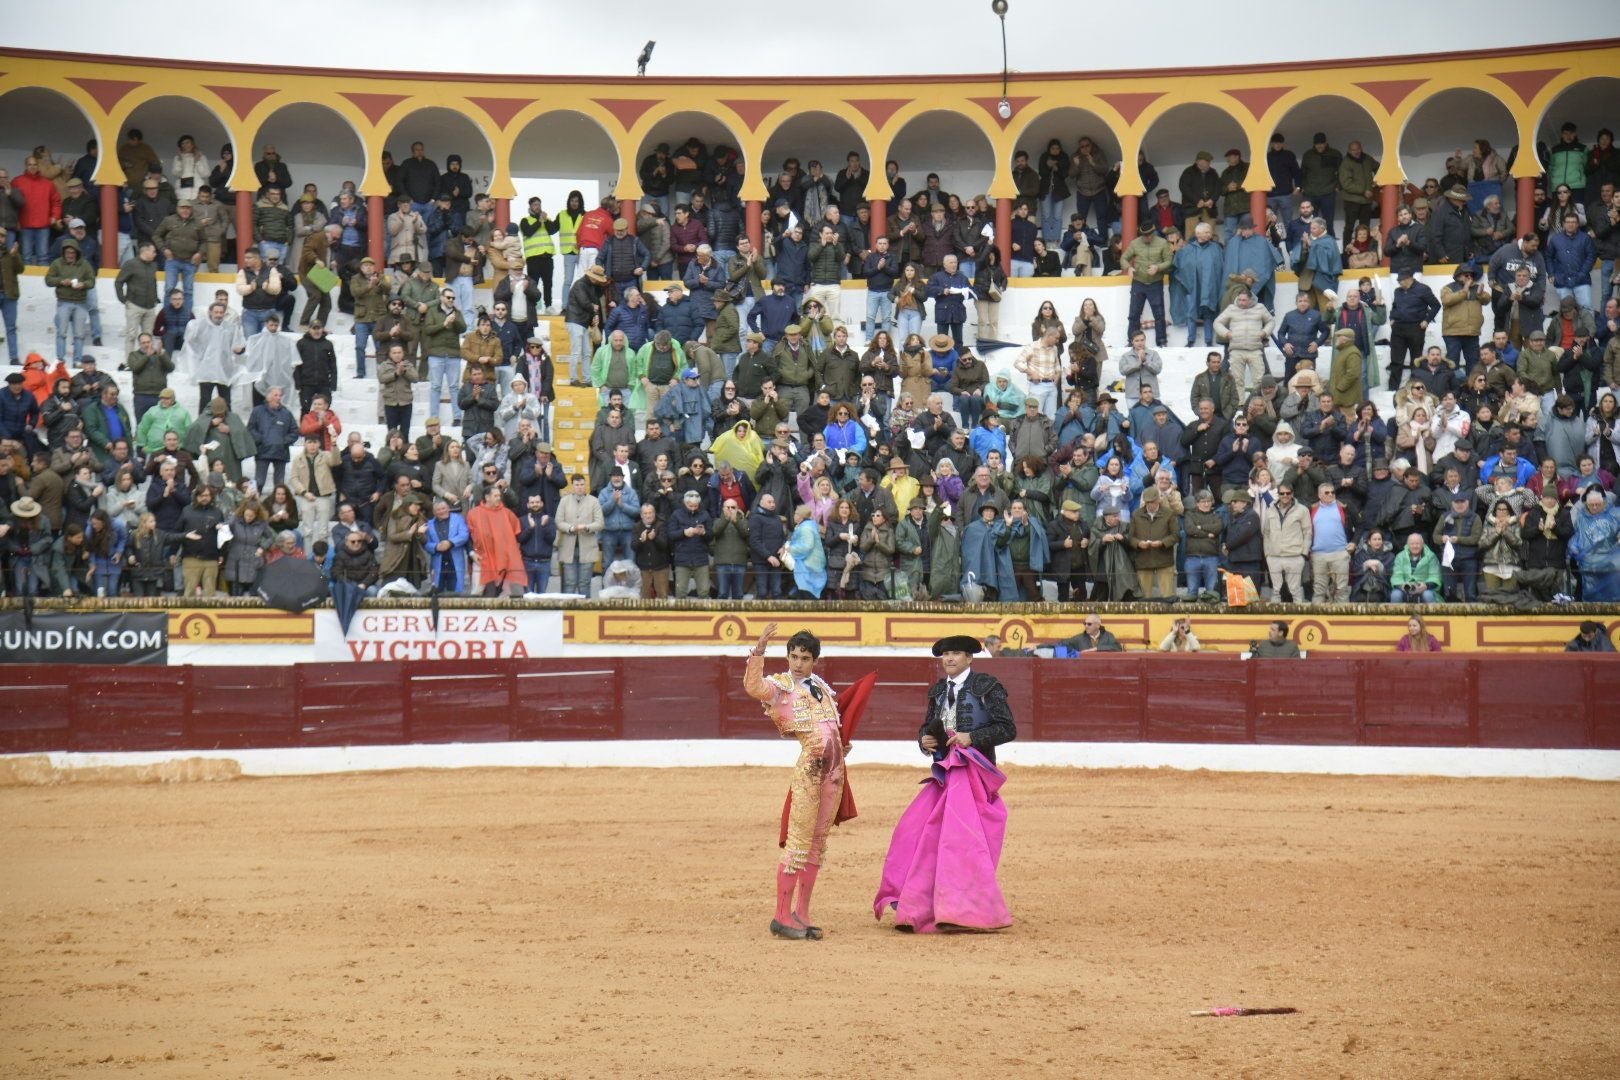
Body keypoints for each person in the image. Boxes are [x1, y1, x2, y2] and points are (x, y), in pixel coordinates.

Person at [874, 634, 1015, 934]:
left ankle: (962, 909)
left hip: (974, 774)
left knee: (960, 841)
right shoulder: (938, 691)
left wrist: (972, 737)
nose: (949, 659)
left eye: (955, 654)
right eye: (945, 654)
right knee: (914, 831)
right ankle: (918, 905)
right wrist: (924, 740)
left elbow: (1008, 728)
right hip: (944, 774)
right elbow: (928, 727)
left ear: (969, 658)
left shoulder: (986, 686)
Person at [743, 624, 850, 941]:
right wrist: (758, 652)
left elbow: (831, 728)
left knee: (818, 843)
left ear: (814, 660)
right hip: (811, 769)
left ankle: (801, 913)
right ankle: (780, 915)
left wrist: (841, 746)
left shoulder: (821, 687)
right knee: (799, 842)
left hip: (835, 769)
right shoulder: (780, 686)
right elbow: (753, 687)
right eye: (793, 656)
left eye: (804, 657)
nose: (798, 662)